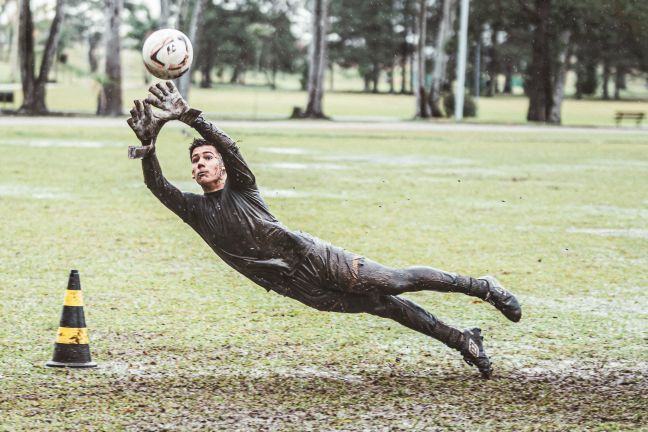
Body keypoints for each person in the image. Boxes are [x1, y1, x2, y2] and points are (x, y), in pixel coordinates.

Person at [127, 82, 522, 379]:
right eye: (195, 160)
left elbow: (230, 146)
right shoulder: (195, 211)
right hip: (298, 288)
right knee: (383, 307)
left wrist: (191, 117)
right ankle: (463, 339)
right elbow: (157, 186)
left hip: (314, 258)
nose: (200, 164)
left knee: (395, 282)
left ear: (222, 167)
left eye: (207, 157)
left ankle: (482, 287)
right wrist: (150, 145)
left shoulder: (242, 186)